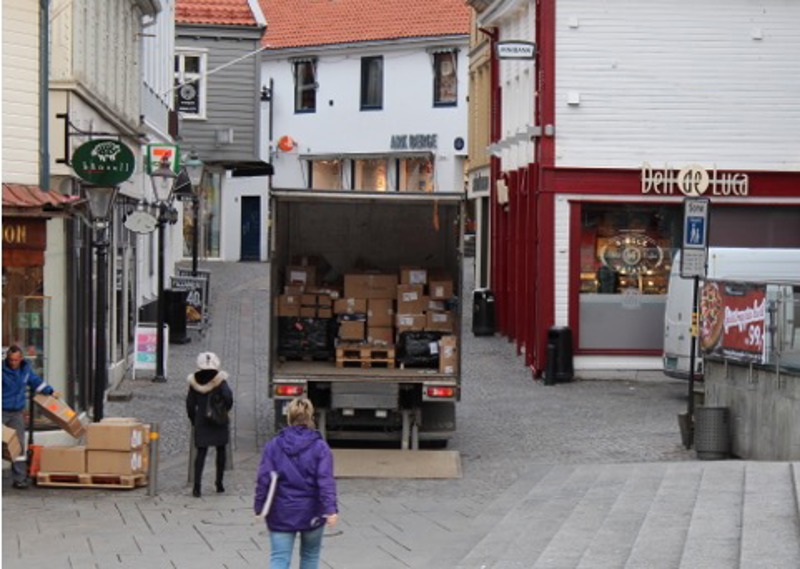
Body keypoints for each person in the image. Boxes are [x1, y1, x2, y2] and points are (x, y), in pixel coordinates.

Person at [254, 398, 338, 569]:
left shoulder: (274, 445)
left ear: (289, 418)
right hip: (312, 510)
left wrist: (259, 506)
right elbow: (325, 481)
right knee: (310, 557)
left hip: (281, 511)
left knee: (279, 558)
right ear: (311, 417)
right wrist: (330, 509)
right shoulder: (320, 447)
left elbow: (264, 478)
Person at [2, 345, 55, 489]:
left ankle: (19, 479)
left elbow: (36, 382)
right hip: (2, 411)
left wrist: (50, 391)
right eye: (11, 360)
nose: (13, 363)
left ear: (21, 359)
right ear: (7, 359)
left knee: (18, 445)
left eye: (16, 360)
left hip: (16, 412)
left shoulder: (25, 370)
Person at [186, 351, 233, 497]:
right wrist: (224, 410)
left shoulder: (194, 382)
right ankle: (219, 483)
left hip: (202, 420)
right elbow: (228, 397)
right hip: (218, 420)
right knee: (221, 450)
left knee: (201, 453)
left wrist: (194, 420)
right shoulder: (220, 380)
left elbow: (190, 404)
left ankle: (197, 487)